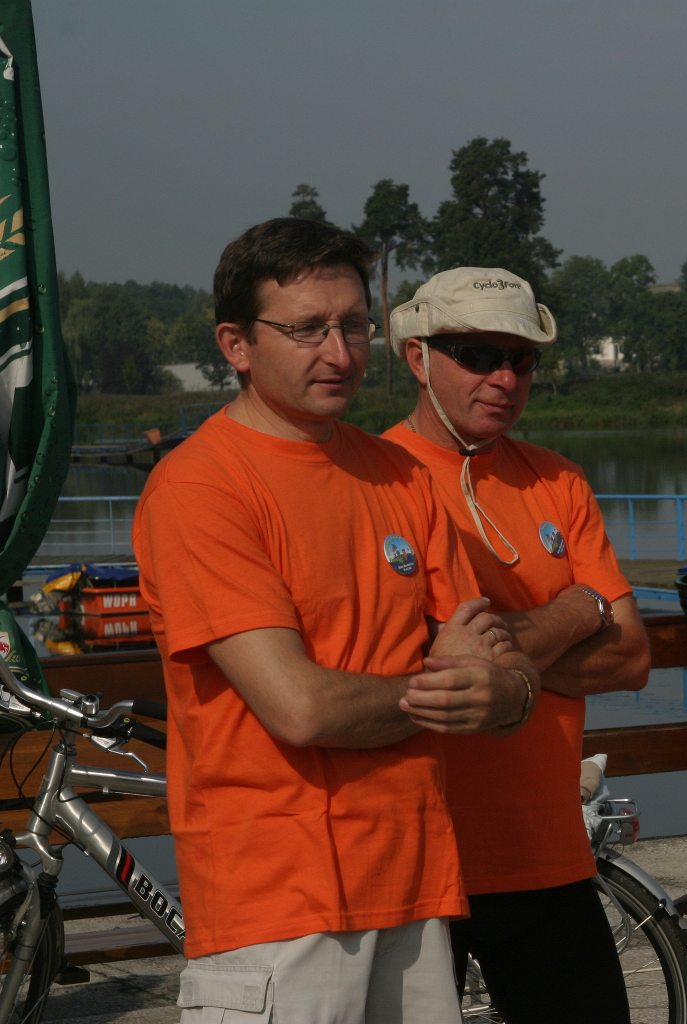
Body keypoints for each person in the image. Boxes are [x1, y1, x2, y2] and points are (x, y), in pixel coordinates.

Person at [134, 218, 536, 1023]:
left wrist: (510, 696)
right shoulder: (201, 488)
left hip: (415, 885)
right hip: (278, 905)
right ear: (236, 344)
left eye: (353, 326)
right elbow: (301, 707)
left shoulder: (399, 475)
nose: (340, 353)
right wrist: (447, 693)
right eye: (307, 329)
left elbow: (496, 666)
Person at [384, 267, 651, 1022]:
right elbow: (410, 665)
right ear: (417, 358)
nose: (504, 378)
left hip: (545, 852)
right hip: (419, 862)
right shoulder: (374, 481)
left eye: (522, 359)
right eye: (477, 355)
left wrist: (500, 657)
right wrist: (578, 607)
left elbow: (632, 657)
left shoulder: (556, 481)